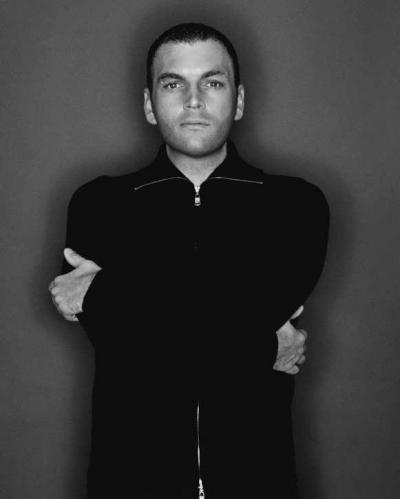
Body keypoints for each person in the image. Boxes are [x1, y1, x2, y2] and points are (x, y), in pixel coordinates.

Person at [49, 23, 329, 498]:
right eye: (173, 83)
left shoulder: (294, 205)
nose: (194, 100)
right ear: (148, 104)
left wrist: (102, 292)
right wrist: (265, 345)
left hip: (259, 481)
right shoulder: (100, 204)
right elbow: (135, 347)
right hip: (128, 482)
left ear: (238, 101)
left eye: (212, 82)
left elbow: (152, 344)